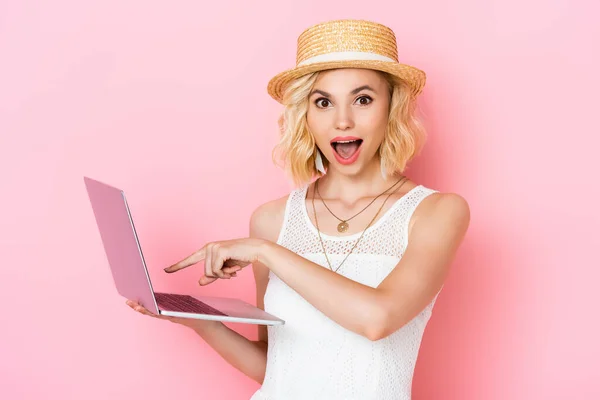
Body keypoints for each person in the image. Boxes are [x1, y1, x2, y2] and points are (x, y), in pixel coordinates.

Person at [126, 19, 470, 399]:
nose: (342, 120)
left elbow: (378, 319)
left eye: (363, 99)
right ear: (305, 113)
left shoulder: (436, 212)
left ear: (392, 106)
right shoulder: (271, 220)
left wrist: (264, 251)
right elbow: (274, 365)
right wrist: (193, 320)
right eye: (323, 102)